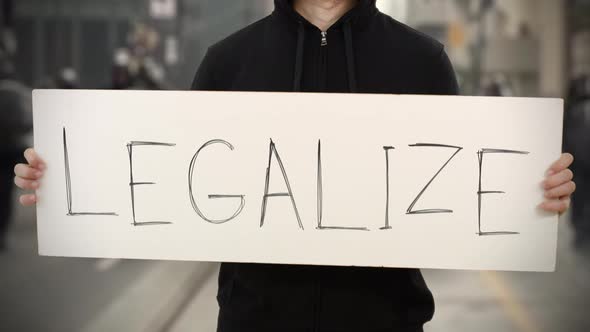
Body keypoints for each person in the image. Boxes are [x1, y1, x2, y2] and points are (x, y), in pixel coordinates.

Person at [14, 0, 576, 331]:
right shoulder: (227, 60)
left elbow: (458, 191)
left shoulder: (423, 61)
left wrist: (533, 194)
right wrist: (64, 176)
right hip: (253, 324)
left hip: (386, 324)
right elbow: (164, 177)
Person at [0, 58, 31, 250]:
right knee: (5, 193)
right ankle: (2, 232)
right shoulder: (18, 93)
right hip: (11, 150)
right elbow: (27, 122)